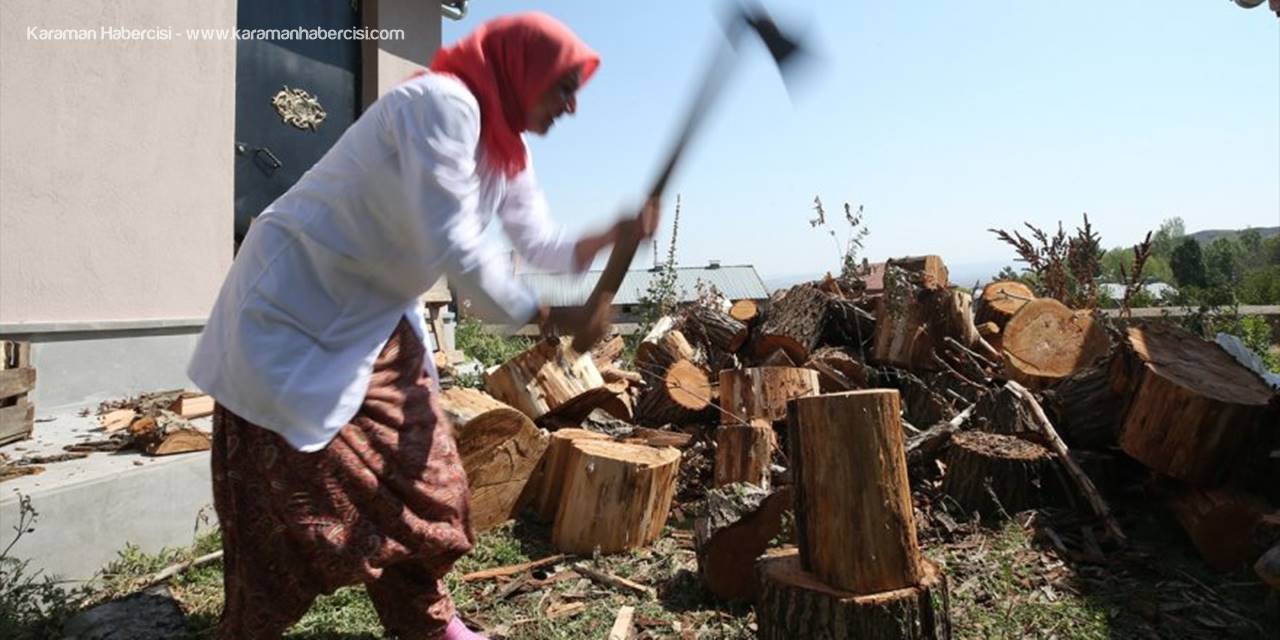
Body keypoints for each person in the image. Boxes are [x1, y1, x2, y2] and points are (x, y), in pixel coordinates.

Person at [188, 13, 657, 640]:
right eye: (564, 87)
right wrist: (552, 314)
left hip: (373, 322)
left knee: (424, 477)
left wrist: (612, 235)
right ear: (525, 71)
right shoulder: (440, 105)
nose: (571, 106)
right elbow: (456, 242)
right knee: (291, 503)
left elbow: (540, 243)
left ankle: (430, 626)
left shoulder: (504, 146)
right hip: (293, 313)